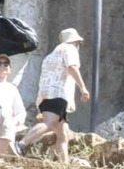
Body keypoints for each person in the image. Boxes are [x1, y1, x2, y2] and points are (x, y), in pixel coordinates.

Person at [20, 27, 91, 160]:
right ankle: (21, 144)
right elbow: (72, 67)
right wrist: (83, 88)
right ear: (75, 42)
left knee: (63, 133)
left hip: (46, 95)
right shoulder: (70, 49)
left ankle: (64, 166)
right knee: (49, 123)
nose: (79, 46)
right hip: (58, 94)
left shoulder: (52, 55)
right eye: (79, 43)